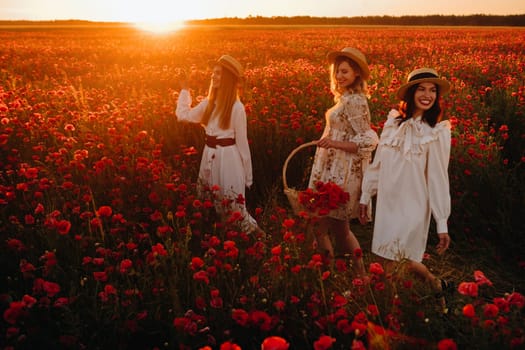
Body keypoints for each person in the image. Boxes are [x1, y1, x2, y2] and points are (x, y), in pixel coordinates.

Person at [358, 67, 453, 312]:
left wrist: (441, 221)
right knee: (392, 258)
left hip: (414, 205)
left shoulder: (437, 132)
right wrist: (366, 195)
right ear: (410, 93)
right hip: (388, 203)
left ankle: (390, 315)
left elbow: (438, 178)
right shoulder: (393, 123)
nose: (427, 95)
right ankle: (435, 285)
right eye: (421, 89)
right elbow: (378, 163)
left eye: (433, 90)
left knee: (393, 262)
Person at [175, 54, 264, 238]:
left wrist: (247, 176)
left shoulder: (236, 108)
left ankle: (259, 238)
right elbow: (183, 115)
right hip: (209, 156)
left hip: (229, 160)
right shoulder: (208, 103)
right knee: (209, 201)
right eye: (213, 73)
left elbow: (242, 144)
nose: (213, 77)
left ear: (229, 79)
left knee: (233, 206)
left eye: (219, 74)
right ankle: (227, 243)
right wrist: (185, 90)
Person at [307, 47, 379, 274]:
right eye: (337, 71)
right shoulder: (344, 98)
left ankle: (327, 272)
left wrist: (334, 144)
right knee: (339, 229)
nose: (340, 76)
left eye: (345, 71)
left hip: (341, 172)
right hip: (331, 168)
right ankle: (359, 276)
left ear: (357, 73)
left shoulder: (355, 101)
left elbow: (367, 141)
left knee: (319, 227)